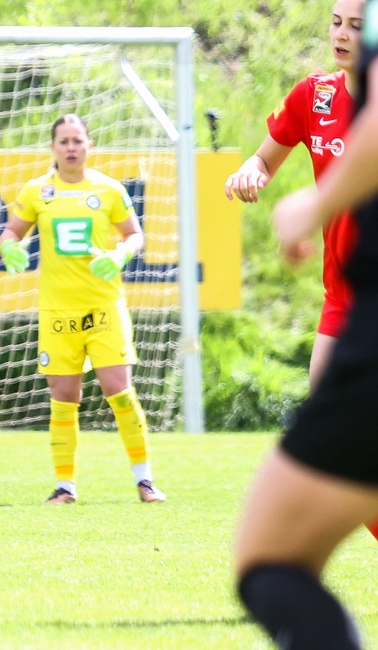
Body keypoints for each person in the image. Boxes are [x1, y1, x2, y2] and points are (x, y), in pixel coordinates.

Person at [234, 1, 378, 644]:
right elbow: (266, 158)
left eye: (359, 23)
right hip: (344, 301)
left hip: (368, 311)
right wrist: (252, 171)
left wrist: (315, 203)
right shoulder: (313, 96)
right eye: (338, 22)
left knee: (270, 561)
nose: (346, 34)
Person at [0, 113, 165, 506]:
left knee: (119, 390)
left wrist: (121, 253)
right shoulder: (37, 191)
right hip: (58, 312)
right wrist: (9, 248)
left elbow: (135, 233)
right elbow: (10, 231)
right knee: (63, 395)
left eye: (77, 141)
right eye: (64, 141)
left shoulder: (108, 190)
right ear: (53, 148)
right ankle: (65, 487)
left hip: (104, 306)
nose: (71, 147)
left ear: (90, 146)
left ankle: (145, 481)